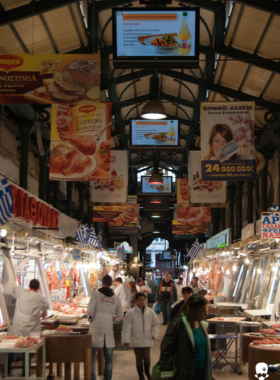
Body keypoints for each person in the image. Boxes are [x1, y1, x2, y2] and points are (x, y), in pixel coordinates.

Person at [159, 295, 212, 380]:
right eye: (203, 312)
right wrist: (166, 375)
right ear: (193, 311)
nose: (206, 314)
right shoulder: (178, 323)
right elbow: (166, 351)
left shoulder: (202, 325)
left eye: (207, 310)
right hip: (185, 374)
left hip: (202, 374)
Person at [9, 279, 49, 376]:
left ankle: (7, 370)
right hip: (32, 328)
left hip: (17, 325)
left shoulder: (21, 292)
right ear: (38, 288)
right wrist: (43, 311)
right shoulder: (39, 297)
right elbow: (46, 306)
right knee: (30, 350)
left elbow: (13, 288)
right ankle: (25, 373)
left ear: (29, 286)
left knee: (12, 348)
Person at [87, 274, 123, 380]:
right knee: (109, 358)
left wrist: (91, 320)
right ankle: (107, 378)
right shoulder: (116, 297)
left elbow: (89, 311)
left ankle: (92, 377)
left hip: (95, 328)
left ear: (102, 283)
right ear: (111, 284)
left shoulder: (96, 294)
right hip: (108, 328)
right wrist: (113, 320)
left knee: (92, 356)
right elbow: (120, 315)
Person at [122, 292, 159, 380]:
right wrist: (126, 339)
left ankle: (146, 371)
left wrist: (153, 334)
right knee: (138, 358)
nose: (142, 302)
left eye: (143, 300)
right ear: (136, 301)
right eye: (140, 300)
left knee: (147, 358)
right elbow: (126, 327)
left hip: (147, 339)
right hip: (136, 339)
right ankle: (141, 375)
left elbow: (155, 324)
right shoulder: (130, 313)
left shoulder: (150, 312)